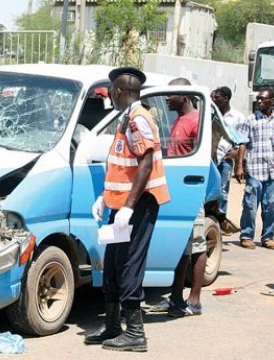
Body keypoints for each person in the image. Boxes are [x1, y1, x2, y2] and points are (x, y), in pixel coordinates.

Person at [85, 67, 170, 352]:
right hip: (120, 206)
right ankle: (112, 326)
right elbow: (124, 166)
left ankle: (135, 333)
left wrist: (129, 207)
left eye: (110, 89)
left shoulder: (139, 118)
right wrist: (106, 199)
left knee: (130, 265)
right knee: (112, 264)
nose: (108, 93)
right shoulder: (126, 117)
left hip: (138, 207)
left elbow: (145, 162)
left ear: (118, 91)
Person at [159, 77, 207, 318]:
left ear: (185, 96)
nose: (167, 98)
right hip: (175, 191)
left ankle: (194, 300)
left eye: (172, 94)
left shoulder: (197, 120)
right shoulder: (179, 120)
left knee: (196, 246)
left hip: (190, 191)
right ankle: (176, 298)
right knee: (181, 246)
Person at [235, 88, 274, 250]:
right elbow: (242, 143)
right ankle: (246, 235)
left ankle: (268, 237)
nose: (259, 102)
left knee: (271, 205)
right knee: (250, 205)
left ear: (272, 100)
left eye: (263, 99)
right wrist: (239, 165)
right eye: (258, 99)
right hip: (255, 169)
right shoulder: (250, 120)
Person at [211, 86, 244, 235]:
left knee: (223, 192)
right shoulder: (211, 114)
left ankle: (221, 222)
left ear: (226, 99)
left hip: (225, 159)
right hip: (211, 158)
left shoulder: (237, 117)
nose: (214, 99)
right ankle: (213, 220)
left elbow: (243, 140)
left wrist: (236, 154)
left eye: (217, 97)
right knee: (211, 190)